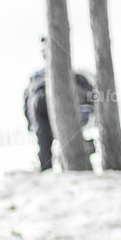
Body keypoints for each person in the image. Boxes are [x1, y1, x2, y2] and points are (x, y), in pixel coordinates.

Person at [24, 37, 96, 171]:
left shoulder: (75, 75)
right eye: (44, 50)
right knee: (45, 140)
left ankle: (57, 165)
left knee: (60, 140)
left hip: (63, 109)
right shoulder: (37, 76)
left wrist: (88, 113)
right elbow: (27, 100)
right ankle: (47, 168)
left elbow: (90, 97)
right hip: (40, 106)